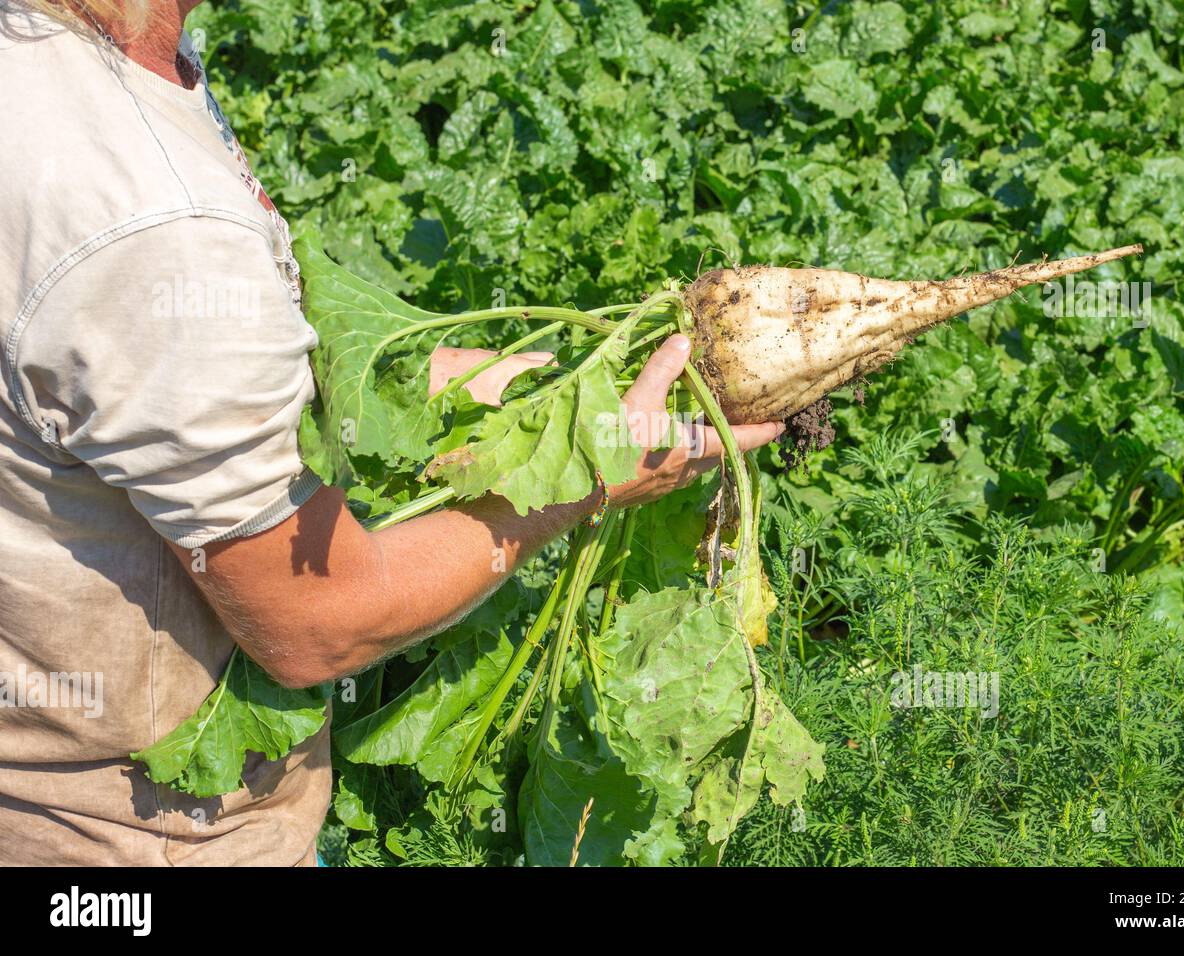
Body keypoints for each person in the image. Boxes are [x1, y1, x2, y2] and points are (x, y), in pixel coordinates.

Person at [0, 0, 783, 865]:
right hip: (136, 839)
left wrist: (517, 388)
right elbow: (315, 622)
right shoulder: (157, 225)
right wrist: (588, 473)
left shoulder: (79, 60)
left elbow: (167, 374)